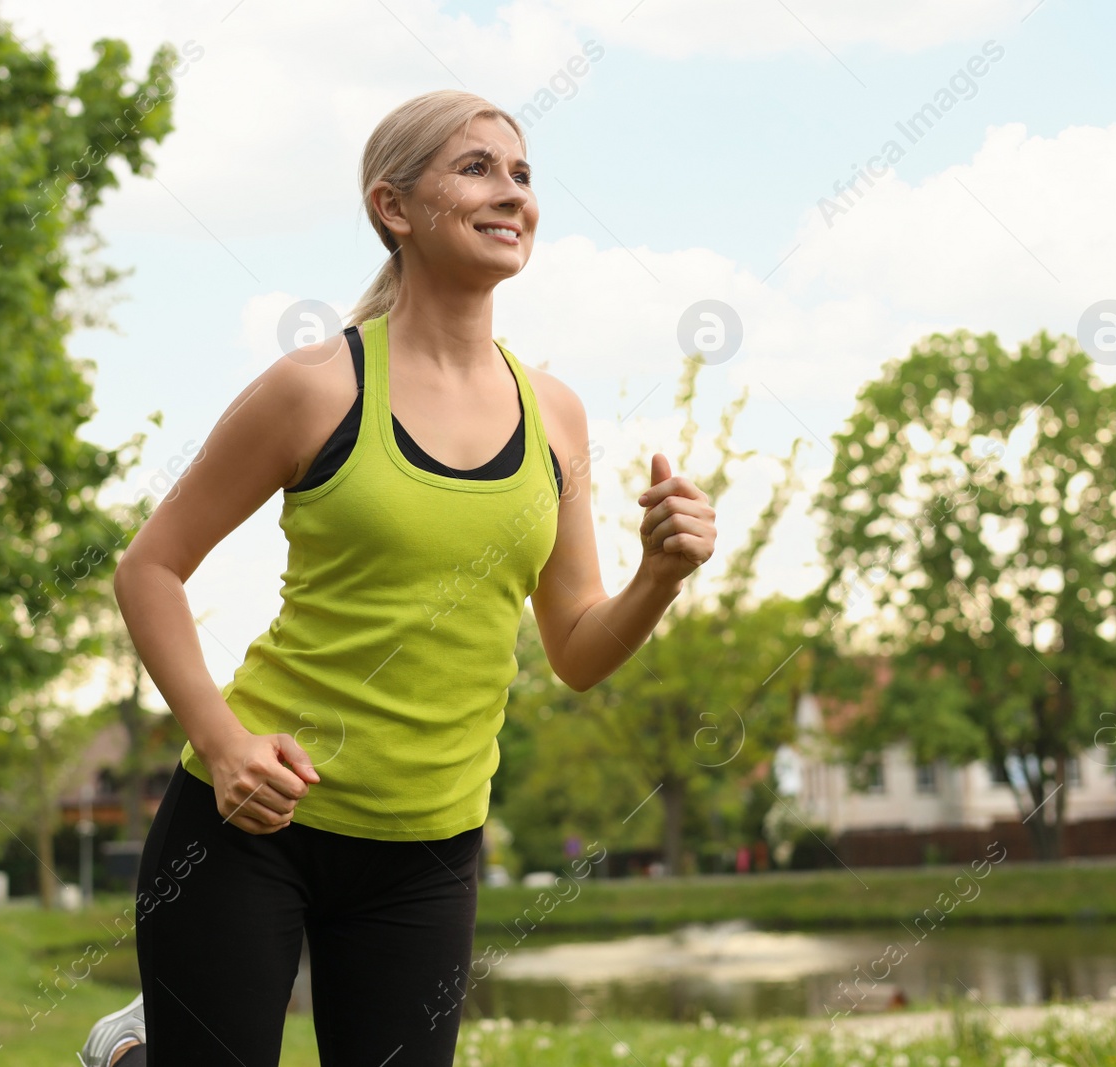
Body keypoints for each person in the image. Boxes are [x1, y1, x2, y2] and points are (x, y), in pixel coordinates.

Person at [111, 88, 717, 1065]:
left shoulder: (554, 414)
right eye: (476, 167)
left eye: (522, 174)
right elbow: (150, 568)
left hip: (427, 852)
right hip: (252, 826)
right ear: (394, 207)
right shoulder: (317, 388)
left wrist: (658, 574)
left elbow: (573, 648)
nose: (511, 192)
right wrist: (222, 745)